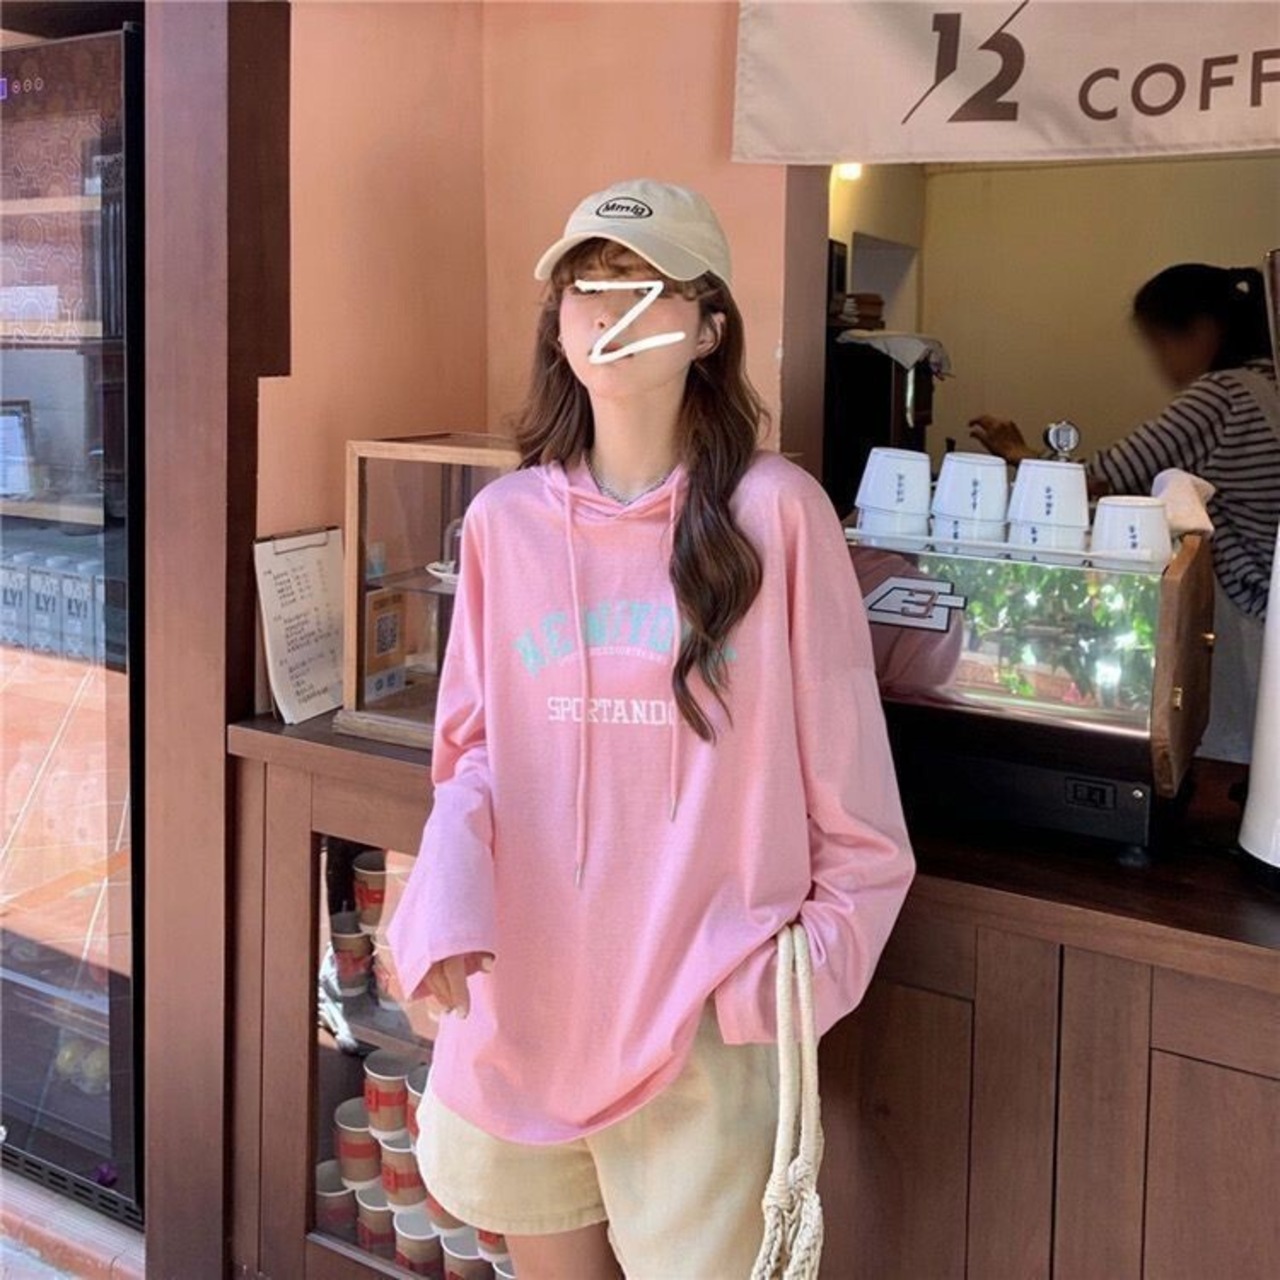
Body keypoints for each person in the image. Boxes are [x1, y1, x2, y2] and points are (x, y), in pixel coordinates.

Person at [385, 178, 915, 1280]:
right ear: (558, 322)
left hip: (702, 1031)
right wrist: (443, 901)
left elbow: (857, 810)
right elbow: (471, 755)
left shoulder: (777, 516)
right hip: (524, 1007)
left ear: (708, 326)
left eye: (644, 284)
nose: (609, 310)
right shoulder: (503, 523)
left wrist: (780, 988)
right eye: (587, 285)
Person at [970, 263, 1279, 763]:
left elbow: (1102, 477)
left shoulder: (1221, 395)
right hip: (1271, 602)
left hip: (1250, 613)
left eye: (1159, 342)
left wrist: (1017, 452)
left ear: (1202, 331)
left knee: (1234, 758)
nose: (1159, 361)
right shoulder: (1270, 381)